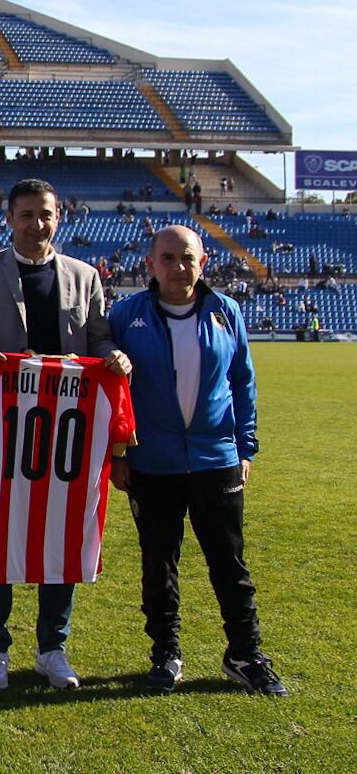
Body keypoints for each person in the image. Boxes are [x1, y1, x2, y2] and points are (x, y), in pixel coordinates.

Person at [0, 177, 130, 691]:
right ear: (10, 218)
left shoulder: (85, 275)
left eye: (45, 215)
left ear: (59, 216)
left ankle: (53, 647)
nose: (37, 224)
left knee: (62, 529)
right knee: (1, 532)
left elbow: (100, 340)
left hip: (70, 428)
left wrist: (114, 356)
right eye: (26, 215)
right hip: (2, 428)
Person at [109, 226, 286, 695]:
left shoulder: (225, 311)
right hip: (152, 463)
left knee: (229, 564)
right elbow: (112, 393)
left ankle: (245, 655)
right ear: (150, 264)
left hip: (216, 459)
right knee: (158, 563)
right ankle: (166, 654)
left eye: (186, 257)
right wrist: (118, 453)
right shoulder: (126, 315)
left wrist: (244, 447)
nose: (177, 266)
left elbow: (243, 382)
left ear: (202, 262)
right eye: (167, 257)